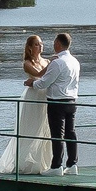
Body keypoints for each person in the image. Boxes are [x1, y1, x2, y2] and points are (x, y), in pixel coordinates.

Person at [0, 34, 53, 175]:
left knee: (46, 129)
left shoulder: (46, 61)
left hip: (45, 96)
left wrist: (51, 64)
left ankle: (44, 162)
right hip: (33, 97)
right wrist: (51, 65)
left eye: (41, 43)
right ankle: (26, 163)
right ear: (30, 47)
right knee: (32, 128)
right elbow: (40, 74)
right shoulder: (27, 63)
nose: (41, 46)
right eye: (37, 44)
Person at [36, 31, 81, 174]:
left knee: (57, 135)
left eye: (55, 42)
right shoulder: (75, 61)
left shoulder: (58, 63)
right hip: (72, 101)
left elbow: (44, 82)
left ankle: (56, 166)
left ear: (58, 43)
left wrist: (32, 83)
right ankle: (72, 164)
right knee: (70, 133)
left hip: (57, 102)